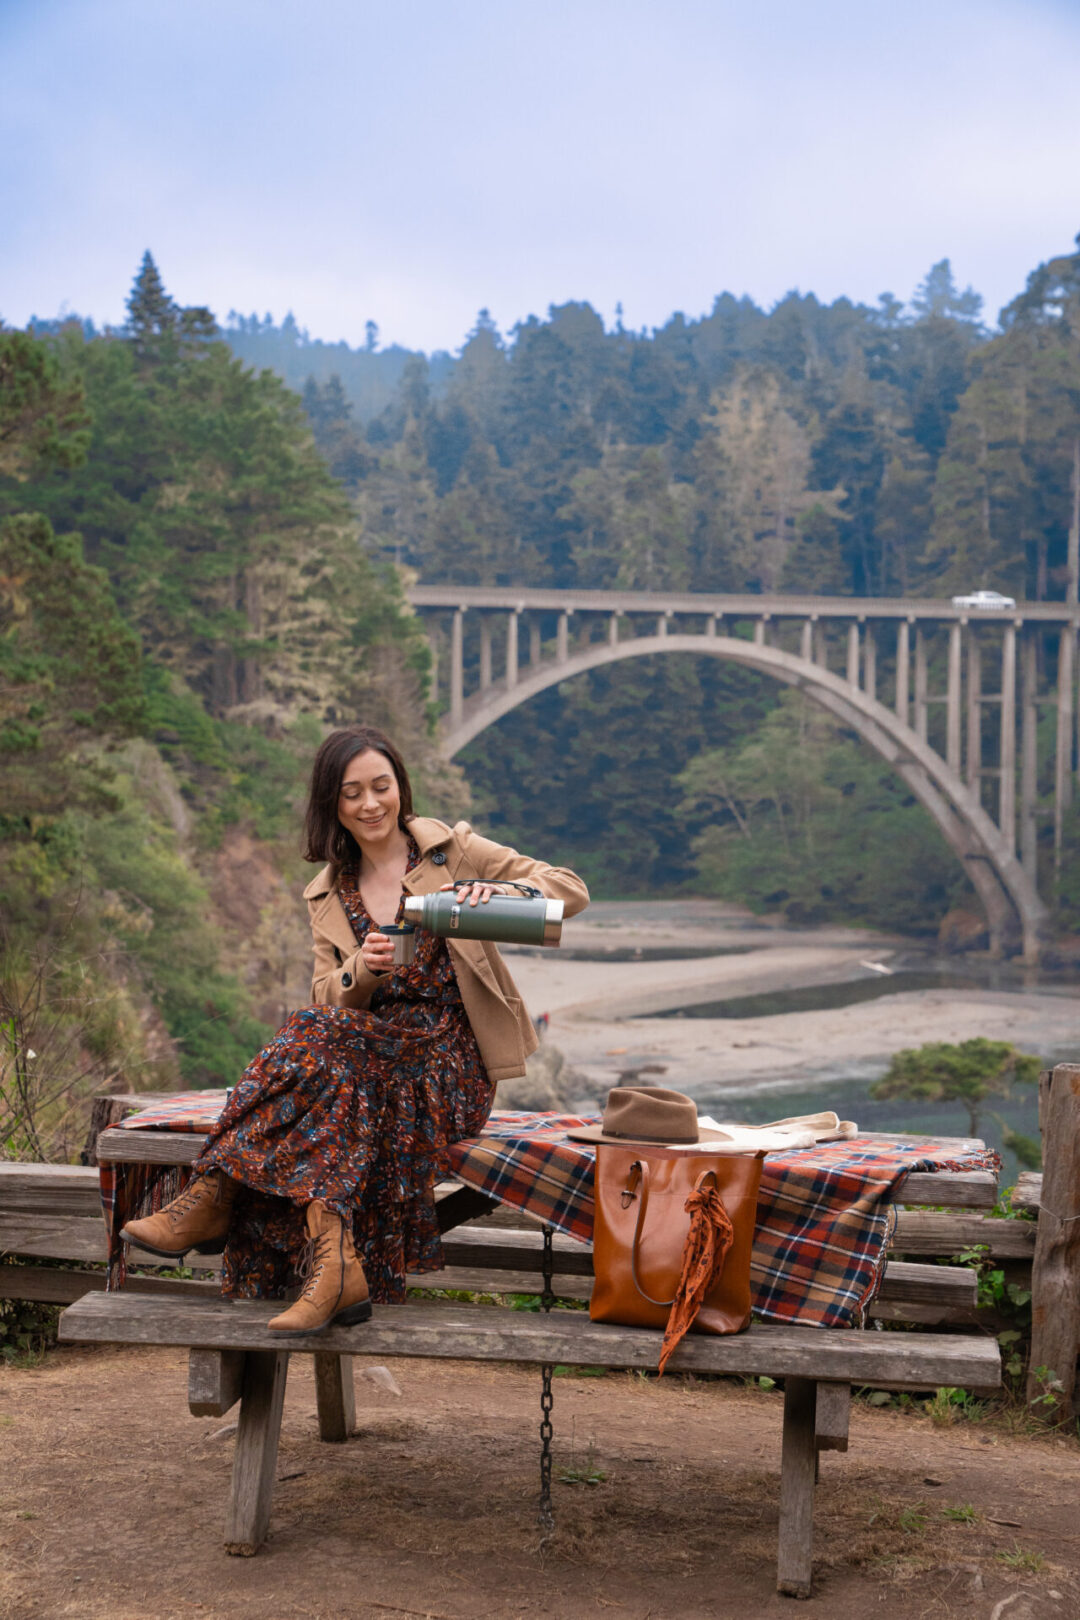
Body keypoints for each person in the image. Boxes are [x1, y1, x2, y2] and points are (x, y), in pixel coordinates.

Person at [121, 724, 588, 1335]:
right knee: (328, 1076)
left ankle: (217, 1190)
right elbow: (328, 998)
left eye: (381, 787)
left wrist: (494, 891)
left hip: (450, 1065)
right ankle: (335, 1266)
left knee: (316, 1045)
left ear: (400, 788)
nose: (370, 804)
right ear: (333, 806)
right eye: (352, 793)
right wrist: (359, 972)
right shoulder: (328, 895)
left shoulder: (454, 851)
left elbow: (570, 890)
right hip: (367, 1066)